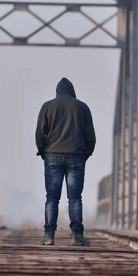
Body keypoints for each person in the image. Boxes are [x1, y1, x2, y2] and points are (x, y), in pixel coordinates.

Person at [35, 78, 96, 246]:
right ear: (72, 91)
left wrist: (43, 152)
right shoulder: (82, 107)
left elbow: (40, 133)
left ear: (57, 92)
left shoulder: (48, 106)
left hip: (52, 156)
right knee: (75, 198)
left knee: (52, 198)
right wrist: (86, 153)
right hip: (77, 157)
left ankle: (49, 236)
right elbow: (90, 135)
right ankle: (77, 236)